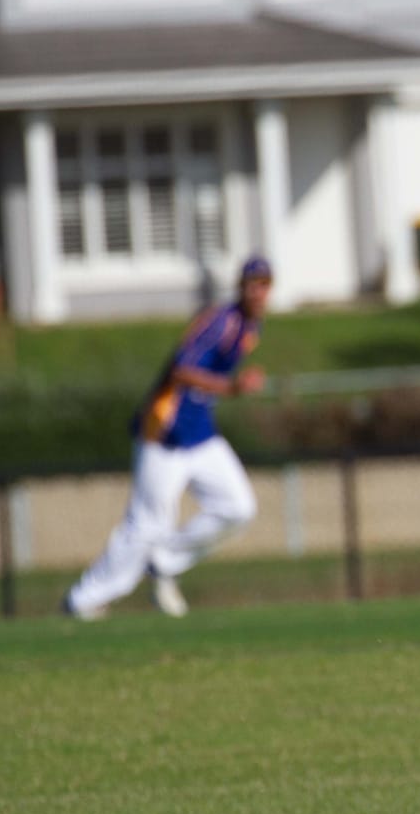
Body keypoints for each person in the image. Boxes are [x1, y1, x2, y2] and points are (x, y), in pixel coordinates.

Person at [63, 257, 271, 620]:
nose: (257, 290)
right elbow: (181, 370)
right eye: (252, 282)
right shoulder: (221, 321)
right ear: (240, 286)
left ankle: (163, 562)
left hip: (200, 433)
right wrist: (232, 387)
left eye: (264, 283)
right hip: (165, 431)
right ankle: (83, 600)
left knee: (238, 506)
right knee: (145, 524)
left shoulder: (252, 327)